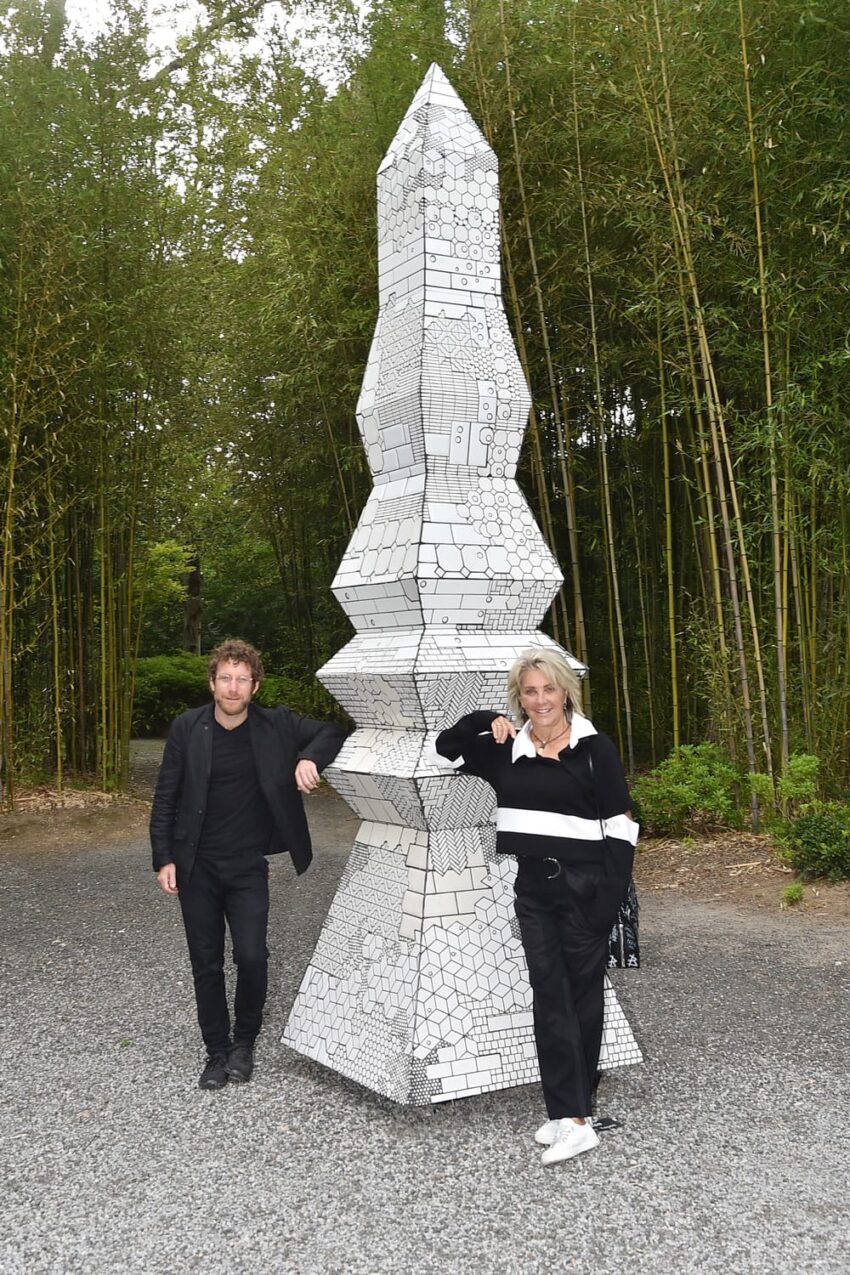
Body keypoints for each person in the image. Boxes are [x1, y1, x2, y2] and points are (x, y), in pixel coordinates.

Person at [435, 647, 639, 1165]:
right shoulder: (506, 748)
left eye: (549, 689)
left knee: (581, 1000)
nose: (541, 700)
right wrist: (488, 719)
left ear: (566, 690)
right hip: (534, 889)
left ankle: (574, 1115)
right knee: (549, 996)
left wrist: (606, 903)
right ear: (519, 697)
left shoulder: (595, 749)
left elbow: (621, 828)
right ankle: (569, 1112)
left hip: (587, 887)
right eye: (530, 691)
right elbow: (446, 745)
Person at [150, 639, 346, 1090]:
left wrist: (309, 756)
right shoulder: (187, 727)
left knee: (253, 956)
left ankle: (244, 1043)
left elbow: (332, 731)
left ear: (254, 685)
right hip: (195, 864)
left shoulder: (275, 725)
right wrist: (164, 857)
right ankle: (216, 1050)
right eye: (225, 678)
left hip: (246, 866)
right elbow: (166, 796)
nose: (233, 687)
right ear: (212, 682)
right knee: (206, 962)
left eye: (242, 679)